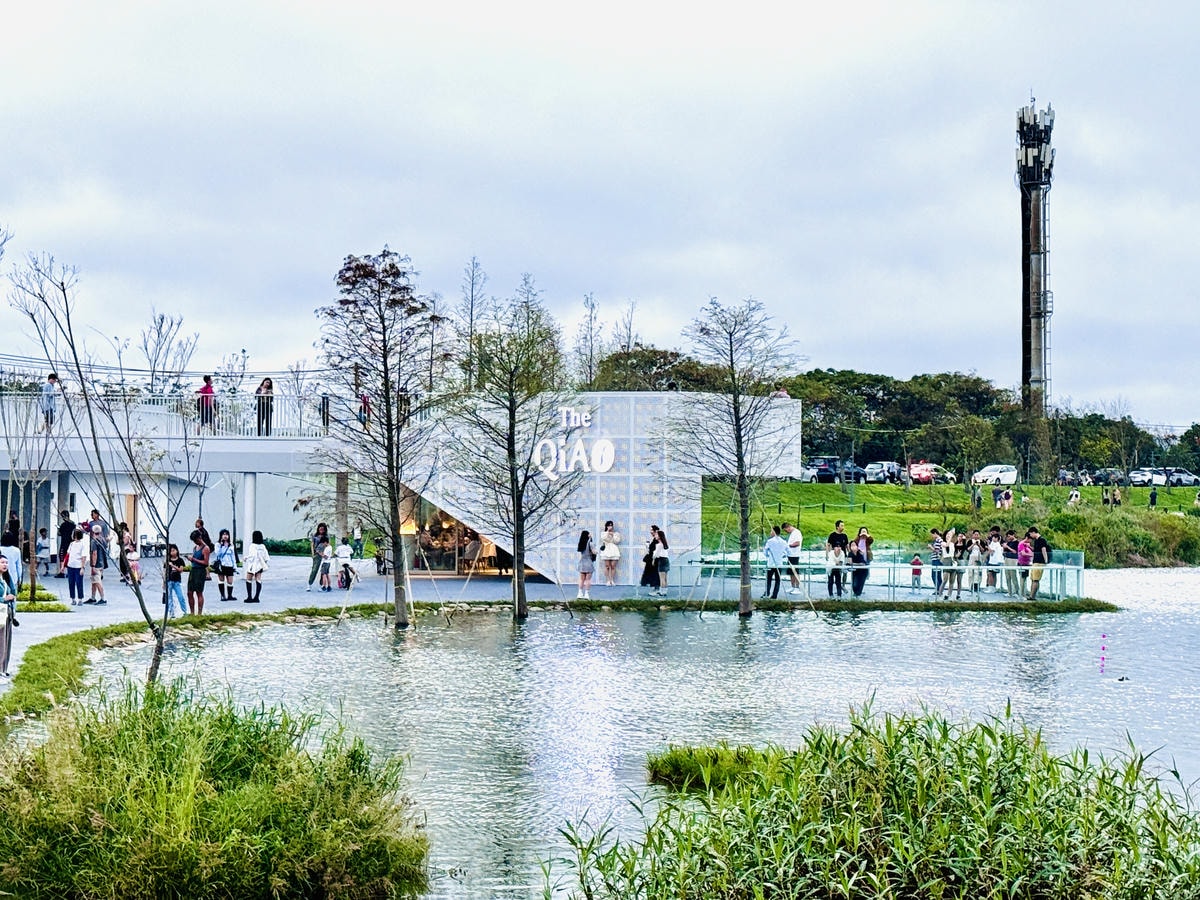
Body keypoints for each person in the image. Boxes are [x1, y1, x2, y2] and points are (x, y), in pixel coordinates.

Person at [60, 527, 87, 604]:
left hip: (78, 566)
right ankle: (73, 598)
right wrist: (63, 565)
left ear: (75, 536)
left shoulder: (82, 545)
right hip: (70, 566)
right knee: (71, 582)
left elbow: (83, 557)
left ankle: (80, 598)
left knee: (79, 583)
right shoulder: (71, 544)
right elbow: (67, 555)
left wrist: (82, 567)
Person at [187, 529, 210, 615]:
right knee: (189, 592)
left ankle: (199, 613)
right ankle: (192, 612)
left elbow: (206, 563)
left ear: (199, 538)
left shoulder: (206, 548)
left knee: (199, 592)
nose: (195, 542)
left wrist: (193, 559)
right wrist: (191, 559)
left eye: (196, 540)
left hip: (200, 571)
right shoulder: (195, 548)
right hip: (193, 570)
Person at [242, 530, 270, 602]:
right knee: (258, 580)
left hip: (253, 565)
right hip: (260, 565)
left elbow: (252, 555)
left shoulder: (252, 546)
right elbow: (266, 557)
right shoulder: (263, 546)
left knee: (248, 579)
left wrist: (246, 558)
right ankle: (257, 597)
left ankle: (249, 597)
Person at [0, 556, 16, 678]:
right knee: (1, 641)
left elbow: (13, 592)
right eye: (2, 562)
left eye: (6, 562)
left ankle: (4, 667)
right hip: (1, 611)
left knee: (7, 640)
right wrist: (4, 599)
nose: (5, 565)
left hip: (7, 613)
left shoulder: (6, 578)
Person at [762, 525, 788, 600]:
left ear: (774, 532)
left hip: (771, 564)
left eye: (771, 531)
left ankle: (767, 593)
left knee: (768, 579)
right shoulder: (784, 542)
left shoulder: (770, 541)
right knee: (777, 580)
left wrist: (768, 555)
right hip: (779, 564)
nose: (770, 532)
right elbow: (787, 552)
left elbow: (765, 551)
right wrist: (782, 556)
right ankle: (774, 595)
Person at [212, 529, 237, 600]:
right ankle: (222, 595)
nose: (225, 536)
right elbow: (218, 554)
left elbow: (233, 556)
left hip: (229, 565)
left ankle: (230, 595)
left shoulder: (231, 544)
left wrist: (234, 566)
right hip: (221, 565)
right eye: (223, 534)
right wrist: (222, 546)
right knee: (221, 580)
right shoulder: (218, 544)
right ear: (221, 536)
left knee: (230, 581)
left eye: (227, 534)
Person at [1028, 526, 1052, 600]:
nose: (1030, 536)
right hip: (1035, 561)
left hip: (1039, 562)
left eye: (1030, 534)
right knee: (1033, 578)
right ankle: (1032, 595)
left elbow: (1043, 550)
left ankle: (1032, 596)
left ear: (1033, 532)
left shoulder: (1042, 540)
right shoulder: (1037, 540)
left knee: (1036, 579)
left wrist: (1046, 560)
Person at [848, 526, 873, 598]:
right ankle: (856, 590)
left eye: (865, 531)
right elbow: (853, 545)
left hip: (866, 558)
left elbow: (872, 540)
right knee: (856, 574)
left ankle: (859, 590)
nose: (863, 533)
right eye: (862, 531)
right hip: (858, 559)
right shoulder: (857, 539)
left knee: (864, 574)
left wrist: (867, 535)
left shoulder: (868, 540)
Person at [826, 520, 849, 596]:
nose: (843, 527)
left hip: (843, 555)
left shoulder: (844, 536)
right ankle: (834, 590)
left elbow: (847, 546)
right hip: (834, 556)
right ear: (837, 527)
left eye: (843, 525)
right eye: (841, 525)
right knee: (836, 573)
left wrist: (849, 555)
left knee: (844, 572)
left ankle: (843, 585)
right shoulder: (832, 535)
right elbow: (828, 544)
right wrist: (827, 554)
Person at [87, 524, 109, 604]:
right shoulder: (102, 539)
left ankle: (103, 598)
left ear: (93, 531)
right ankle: (93, 597)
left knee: (97, 581)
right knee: (94, 581)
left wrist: (93, 565)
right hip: (102, 563)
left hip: (97, 564)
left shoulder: (94, 541)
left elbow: (94, 553)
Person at [164, 544, 188, 616]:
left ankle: (184, 611)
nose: (173, 552)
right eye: (171, 551)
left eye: (174, 550)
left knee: (180, 596)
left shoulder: (180, 560)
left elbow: (181, 570)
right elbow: (165, 571)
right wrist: (164, 582)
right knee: (169, 597)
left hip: (177, 581)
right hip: (169, 581)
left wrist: (173, 565)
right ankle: (171, 613)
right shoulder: (167, 560)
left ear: (177, 551)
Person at [307, 523, 329, 591]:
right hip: (317, 555)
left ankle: (321, 585)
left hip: (324, 555)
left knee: (323, 571)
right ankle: (309, 584)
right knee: (314, 570)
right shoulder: (315, 536)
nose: (321, 530)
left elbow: (328, 544)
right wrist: (313, 554)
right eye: (320, 529)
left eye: (323, 529)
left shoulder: (326, 536)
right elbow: (312, 544)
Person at [598, 520, 621, 586]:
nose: (610, 527)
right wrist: (608, 532)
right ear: (606, 526)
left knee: (613, 566)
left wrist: (613, 535)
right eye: (608, 525)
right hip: (606, 549)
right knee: (607, 566)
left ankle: (612, 580)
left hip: (614, 549)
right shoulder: (603, 533)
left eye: (611, 525)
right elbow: (604, 538)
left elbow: (617, 541)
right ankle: (608, 580)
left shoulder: (616, 533)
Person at [783, 522, 803, 594]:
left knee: (795, 571)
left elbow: (797, 543)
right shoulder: (791, 534)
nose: (786, 532)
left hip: (795, 555)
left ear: (788, 527)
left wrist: (789, 546)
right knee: (791, 572)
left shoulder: (797, 532)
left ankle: (797, 588)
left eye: (786, 530)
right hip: (790, 555)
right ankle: (792, 586)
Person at [639, 525, 661, 592]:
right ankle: (654, 587)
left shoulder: (657, 540)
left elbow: (656, 550)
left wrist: (654, 559)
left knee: (655, 574)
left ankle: (656, 588)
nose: (650, 532)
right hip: (651, 559)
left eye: (652, 530)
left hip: (654, 560)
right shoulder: (654, 539)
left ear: (655, 531)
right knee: (652, 573)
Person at [576, 530, 596, 599]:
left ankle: (579, 593)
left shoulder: (581, 543)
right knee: (588, 580)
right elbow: (594, 552)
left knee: (581, 579)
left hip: (582, 562)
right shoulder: (590, 543)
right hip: (588, 562)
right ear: (587, 535)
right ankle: (586, 594)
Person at [55, 509, 74, 577]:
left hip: (64, 543)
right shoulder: (73, 524)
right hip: (71, 543)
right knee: (70, 557)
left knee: (62, 556)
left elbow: (59, 533)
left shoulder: (63, 525)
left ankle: (62, 572)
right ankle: (70, 572)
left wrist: (58, 529)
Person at [652, 527, 670, 597]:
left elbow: (656, 554)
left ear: (659, 536)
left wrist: (653, 559)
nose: (655, 536)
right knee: (665, 578)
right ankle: (664, 592)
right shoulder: (664, 544)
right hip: (666, 560)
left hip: (661, 561)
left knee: (661, 578)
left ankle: (661, 592)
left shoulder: (659, 545)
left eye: (656, 535)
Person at [1016, 532, 1034, 598]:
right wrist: (1031, 555)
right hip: (1022, 563)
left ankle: (1024, 593)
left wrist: (1029, 546)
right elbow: (1023, 553)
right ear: (1027, 538)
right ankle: (1021, 594)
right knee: (1022, 579)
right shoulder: (1021, 544)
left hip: (1026, 563)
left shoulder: (1026, 545)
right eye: (1030, 539)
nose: (1031, 541)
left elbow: (1031, 550)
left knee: (1025, 578)